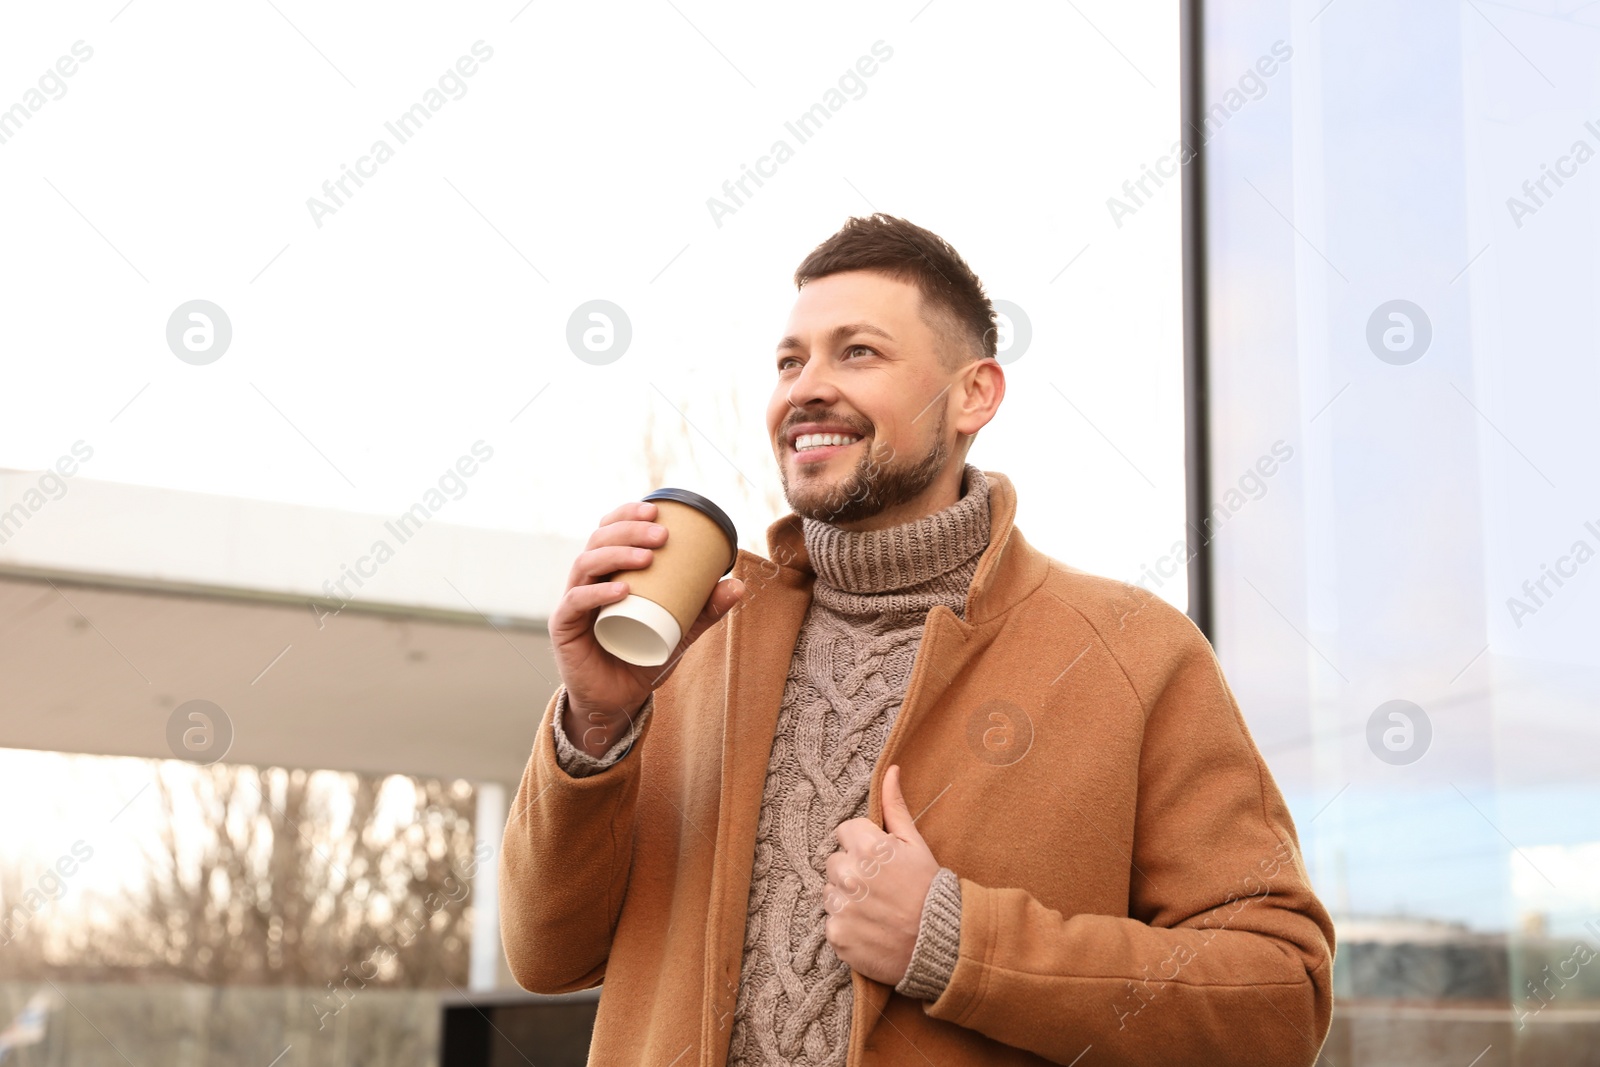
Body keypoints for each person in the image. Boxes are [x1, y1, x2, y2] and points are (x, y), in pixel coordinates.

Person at [499, 213, 1335, 1066]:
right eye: (790, 361)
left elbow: (1278, 997)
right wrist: (596, 724)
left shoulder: (1132, 651)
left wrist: (956, 942)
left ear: (975, 393)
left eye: (857, 352)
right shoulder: (693, 640)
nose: (806, 389)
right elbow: (546, 954)